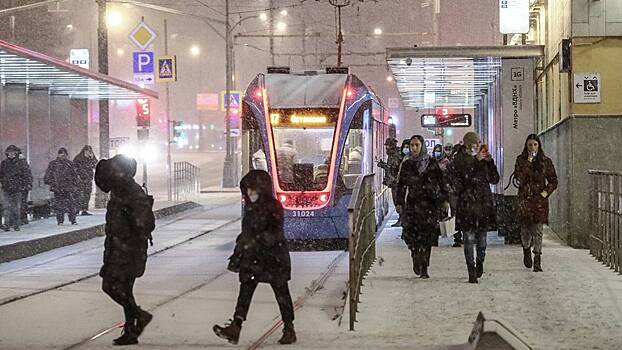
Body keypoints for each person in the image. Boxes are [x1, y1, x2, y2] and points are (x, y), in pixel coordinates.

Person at [213, 170, 296, 345]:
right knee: (245, 290)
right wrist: (238, 255)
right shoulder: (250, 209)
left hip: (274, 258)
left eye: (253, 191)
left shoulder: (274, 207)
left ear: (262, 190)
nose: (250, 195)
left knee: (281, 292)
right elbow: (246, 235)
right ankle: (236, 325)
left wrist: (256, 241)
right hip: (254, 258)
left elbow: (275, 233)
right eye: (248, 192)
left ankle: (289, 327)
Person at [95, 154, 155, 346]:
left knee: (111, 286)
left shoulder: (131, 192)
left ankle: (138, 317)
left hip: (129, 249)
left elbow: (145, 222)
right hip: (119, 247)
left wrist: (131, 233)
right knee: (123, 289)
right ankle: (132, 329)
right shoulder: (120, 191)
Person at [448, 132, 499, 283]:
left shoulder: (482, 159)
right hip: (467, 204)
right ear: (466, 144)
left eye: (478, 142)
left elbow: (494, 179)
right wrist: (476, 162)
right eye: (474, 143)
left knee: (482, 240)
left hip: (483, 204)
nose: (476, 145)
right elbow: (464, 180)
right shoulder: (459, 160)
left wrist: (490, 162)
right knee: (468, 239)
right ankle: (471, 269)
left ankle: (480, 262)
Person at [396, 135, 448, 278]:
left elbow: (441, 181)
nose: (414, 148)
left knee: (427, 237)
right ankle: (415, 254)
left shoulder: (431, 163)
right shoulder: (407, 164)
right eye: (412, 145)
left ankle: (424, 265)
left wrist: (444, 199)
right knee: (411, 235)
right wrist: (399, 202)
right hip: (413, 204)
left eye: (416, 145)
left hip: (429, 205)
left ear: (422, 146)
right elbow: (401, 185)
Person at [514, 134, 558, 272]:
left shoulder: (545, 161)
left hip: (539, 202)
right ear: (526, 146)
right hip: (525, 201)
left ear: (539, 146)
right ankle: (526, 249)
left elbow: (553, 180)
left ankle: (537, 258)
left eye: (535, 144)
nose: (532, 147)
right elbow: (519, 177)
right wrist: (528, 161)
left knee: (538, 230)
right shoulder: (521, 160)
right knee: (525, 230)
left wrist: (544, 194)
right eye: (529, 145)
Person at [44, 148, 79, 225]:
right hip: (59, 188)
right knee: (61, 205)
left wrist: (74, 185)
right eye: (61, 154)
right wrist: (53, 183)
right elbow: (47, 177)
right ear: (58, 154)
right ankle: (61, 220)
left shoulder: (69, 164)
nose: (63, 156)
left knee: (70, 205)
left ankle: (72, 220)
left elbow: (75, 176)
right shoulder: (54, 164)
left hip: (67, 188)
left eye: (64, 154)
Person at [0, 145, 32, 231]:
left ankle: (15, 224)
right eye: (9, 152)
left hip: (16, 189)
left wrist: (25, 185)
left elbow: (26, 175)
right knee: (7, 207)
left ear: (16, 153)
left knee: (15, 207)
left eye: (13, 152)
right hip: (7, 188)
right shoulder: (4, 163)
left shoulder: (20, 163)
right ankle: (8, 224)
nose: (11, 154)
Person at [377, 138, 403, 227]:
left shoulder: (396, 155)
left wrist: (384, 166)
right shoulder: (393, 154)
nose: (386, 147)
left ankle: (401, 219)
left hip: (397, 182)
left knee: (397, 201)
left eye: (387, 145)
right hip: (395, 182)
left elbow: (394, 168)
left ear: (391, 145)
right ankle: (401, 218)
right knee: (397, 201)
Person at [73, 145, 98, 216]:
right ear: (85, 151)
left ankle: (84, 209)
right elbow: (74, 168)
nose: (89, 152)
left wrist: (92, 158)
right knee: (79, 195)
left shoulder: (90, 158)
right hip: (80, 180)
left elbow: (95, 165)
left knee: (87, 195)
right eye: (88, 151)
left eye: (90, 151)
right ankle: (77, 209)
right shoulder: (78, 158)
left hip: (88, 179)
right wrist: (77, 176)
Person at [17, 147, 33, 225]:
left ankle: (19, 218)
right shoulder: (23, 162)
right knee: (23, 202)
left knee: (17, 203)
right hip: (23, 186)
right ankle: (23, 218)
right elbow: (28, 174)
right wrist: (28, 184)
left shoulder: (17, 162)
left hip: (18, 186)